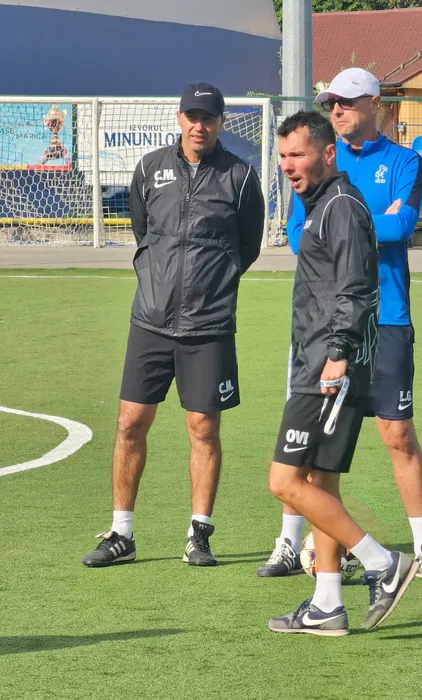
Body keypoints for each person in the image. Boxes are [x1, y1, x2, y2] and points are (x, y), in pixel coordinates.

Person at [258, 68, 422, 583]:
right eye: (330, 103)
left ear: (375, 102)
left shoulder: (404, 161)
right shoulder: (317, 158)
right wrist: (371, 222)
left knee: (398, 433)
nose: (337, 110)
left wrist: (352, 224)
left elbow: (403, 226)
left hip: (387, 318)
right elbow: (299, 236)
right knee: (311, 447)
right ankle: (289, 543)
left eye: (345, 101)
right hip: (327, 326)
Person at [82, 82, 265, 568]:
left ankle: (198, 534)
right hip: (151, 319)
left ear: (222, 122)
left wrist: (213, 284)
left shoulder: (241, 177)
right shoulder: (149, 168)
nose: (199, 125)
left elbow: (248, 247)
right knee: (129, 422)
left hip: (208, 325)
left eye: (208, 117)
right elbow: (143, 231)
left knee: (203, 428)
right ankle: (121, 534)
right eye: (192, 116)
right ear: (179, 118)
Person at [267, 110, 417, 636]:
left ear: (328, 154)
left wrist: (337, 354)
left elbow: (357, 287)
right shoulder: (320, 205)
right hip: (320, 361)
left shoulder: (342, 207)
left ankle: (382, 563)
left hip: (328, 368)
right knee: (320, 480)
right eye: (283, 156)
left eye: (298, 154)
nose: (288, 165)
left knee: (284, 481)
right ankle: (327, 603)